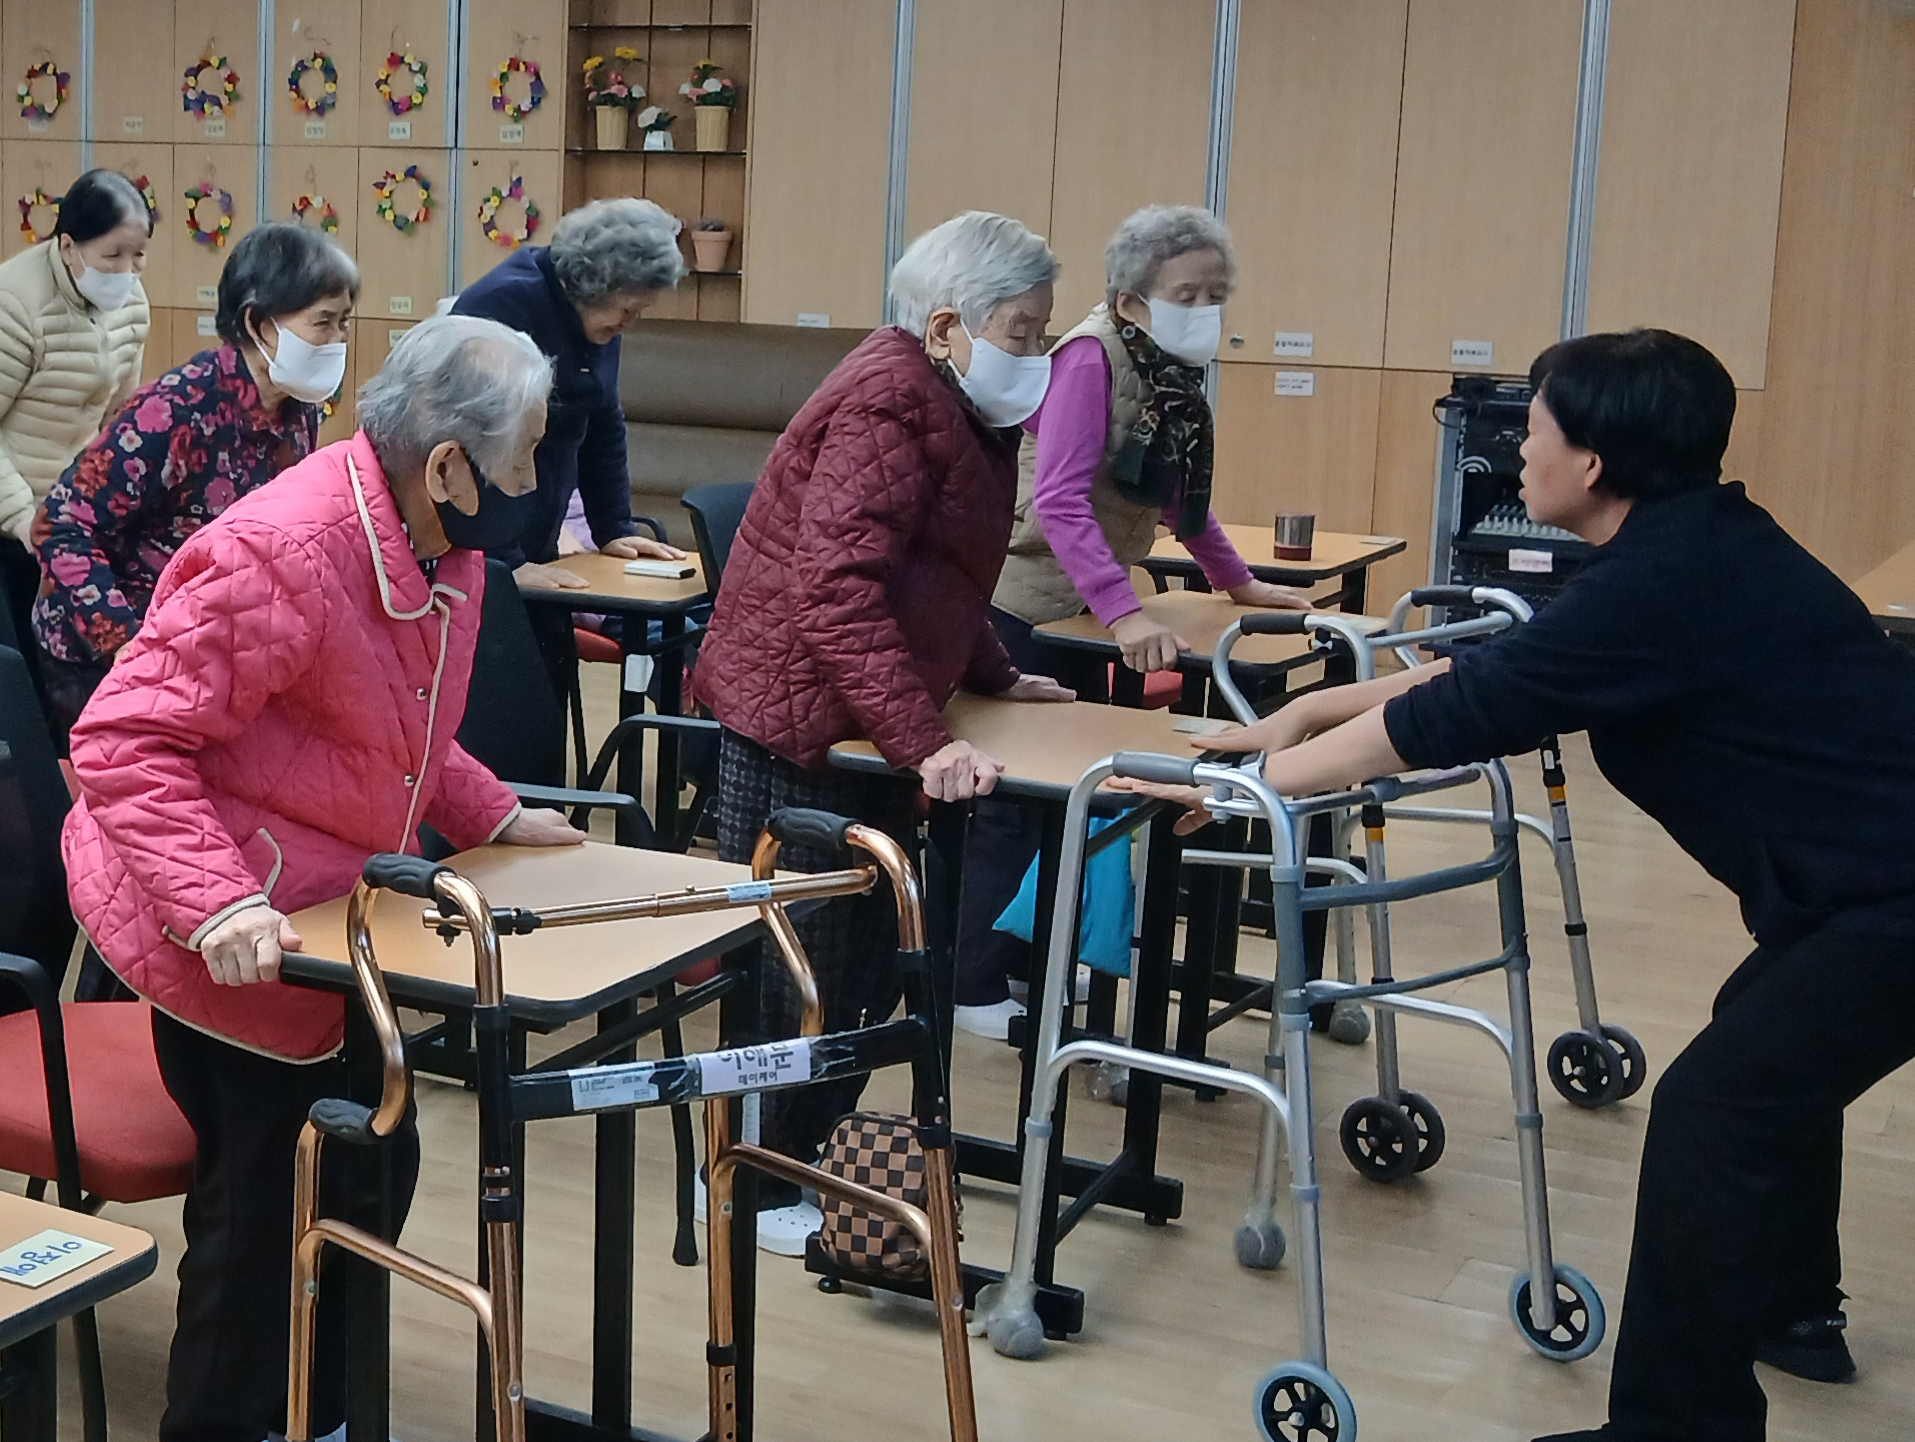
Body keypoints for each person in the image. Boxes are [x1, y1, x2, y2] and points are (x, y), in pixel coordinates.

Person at [1194, 328, 1915, 1442]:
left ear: (1595, 461)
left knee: (1721, 1105)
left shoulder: (1665, 580)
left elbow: (1468, 714)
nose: (1517, 452)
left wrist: (1248, 790)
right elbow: (1506, 671)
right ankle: (1790, 1311)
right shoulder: (1691, 549)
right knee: (1763, 1048)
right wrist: (1300, 720)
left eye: (1536, 431)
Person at [61, 314, 585, 1442]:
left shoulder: (435, 546)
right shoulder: (280, 552)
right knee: (261, 1198)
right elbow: (123, 741)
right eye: (520, 459)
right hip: (222, 923)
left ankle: (320, 1405)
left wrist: (495, 812)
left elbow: (397, 729)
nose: (534, 482)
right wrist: (218, 900)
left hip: (334, 918)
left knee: (371, 1164)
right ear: (447, 465)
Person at [686, 212, 1075, 1254]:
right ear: (948, 327)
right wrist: (925, 741)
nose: (1036, 352)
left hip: (849, 718)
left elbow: (937, 577)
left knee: (860, 967)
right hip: (798, 725)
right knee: (801, 975)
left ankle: (805, 1158)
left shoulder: (949, 402)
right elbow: (839, 592)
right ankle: (745, 1187)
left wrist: (995, 673)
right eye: (1023, 331)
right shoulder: (888, 403)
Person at [956, 202, 1306, 1020]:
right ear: (1129, 301)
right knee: (1014, 806)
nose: (1205, 310)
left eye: (1215, 294)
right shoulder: (1090, 360)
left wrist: (1238, 584)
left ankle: (1033, 957)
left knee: (1079, 801)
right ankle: (970, 982)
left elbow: (1179, 498)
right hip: (1025, 608)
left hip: (1083, 613)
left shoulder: (1165, 373)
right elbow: (1059, 501)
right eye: (1187, 294)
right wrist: (1125, 615)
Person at [27, 218, 357, 730]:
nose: (337, 339)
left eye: (344, 323)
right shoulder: (176, 410)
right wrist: (124, 643)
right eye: (324, 323)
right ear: (258, 324)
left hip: (201, 647)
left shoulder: (298, 410)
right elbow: (60, 524)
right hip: (103, 654)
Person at [0, 167, 155, 609]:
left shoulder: (130, 303)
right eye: (112, 255)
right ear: (68, 246)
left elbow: (115, 417)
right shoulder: (11, 303)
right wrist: (22, 518)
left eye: (138, 255)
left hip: (48, 509)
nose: (126, 271)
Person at [448, 196, 698, 571]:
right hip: (478, 553)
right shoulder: (501, 304)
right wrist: (506, 563)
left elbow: (603, 424)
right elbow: (476, 445)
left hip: (537, 537)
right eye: (628, 309)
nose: (629, 323)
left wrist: (614, 529)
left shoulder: (596, 317)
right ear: (595, 282)